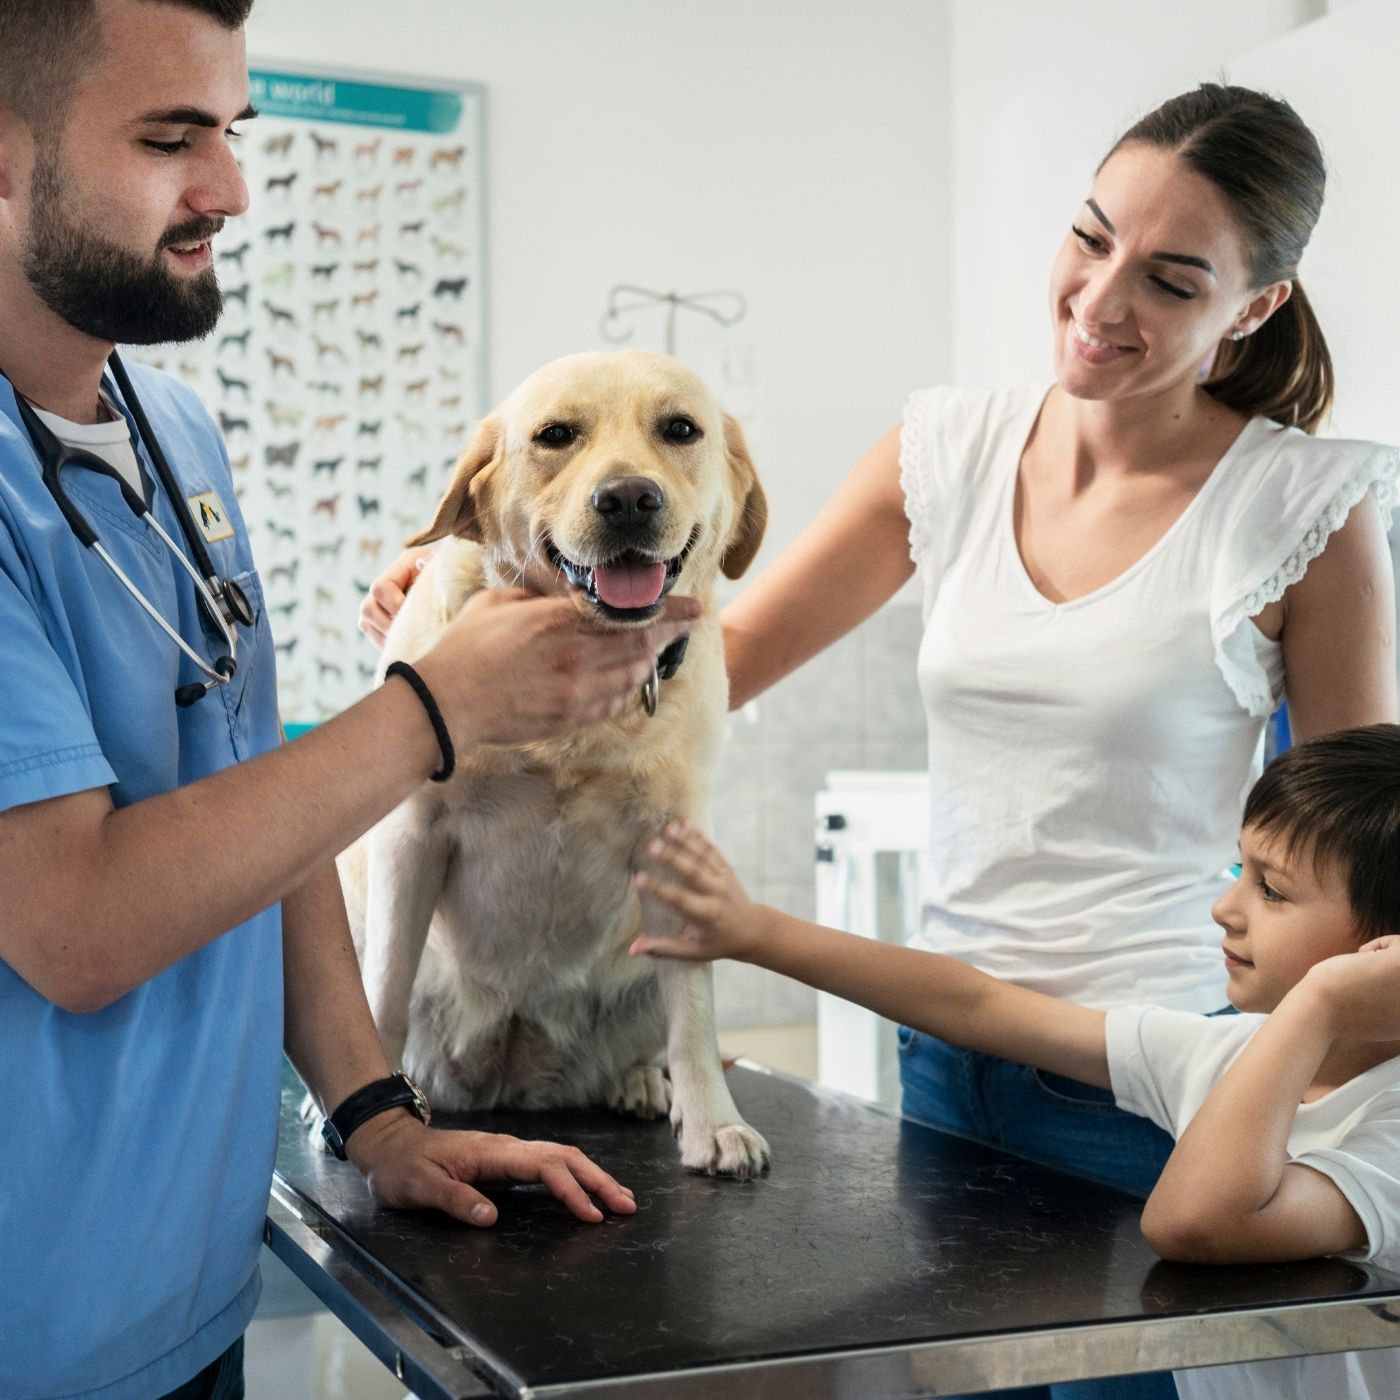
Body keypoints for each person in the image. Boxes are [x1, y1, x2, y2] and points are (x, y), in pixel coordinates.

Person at [0, 3, 701, 1398]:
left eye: (232, 133)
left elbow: (269, 824)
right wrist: (433, 711)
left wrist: (376, 1116)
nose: (232, 190)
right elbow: (72, 927)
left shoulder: (175, 433)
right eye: (169, 138)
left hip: (190, 1290)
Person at [631, 723, 1400, 1400]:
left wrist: (1319, 1002)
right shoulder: (1222, 1049)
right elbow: (979, 1007)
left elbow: (1193, 1220)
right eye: (1239, 872)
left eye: (1271, 890)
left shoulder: (1387, 1127)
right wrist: (753, 931)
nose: (1225, 908)